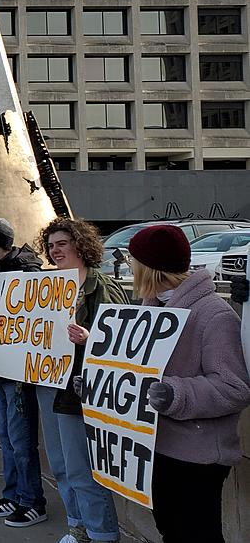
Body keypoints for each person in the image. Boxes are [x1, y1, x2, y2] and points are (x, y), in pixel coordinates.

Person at [128, 225, 250, 543]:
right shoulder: (152, 308)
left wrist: (175, 394)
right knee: (170, 529)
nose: (130, 267)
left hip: (198, 456)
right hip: (158, 445)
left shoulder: (214, 315)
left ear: (149, 267)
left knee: (197, 534)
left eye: (134, 261)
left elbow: (234, 387)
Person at [37, 218, 123, 543]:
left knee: (82, 469)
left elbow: (120, 338)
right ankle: (78, 526)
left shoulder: (101, 285)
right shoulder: (46, 286)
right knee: (60, 463)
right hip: (50, 383)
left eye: (62, 243)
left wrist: (91, 339)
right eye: (51, 245)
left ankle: (102, 533)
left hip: (82, 388)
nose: (55, 250)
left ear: (79, 245)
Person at [0, 217, 49, 528]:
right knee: (7, 436)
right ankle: (14, 494)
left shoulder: (26, 273)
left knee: (21, 438)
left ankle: (33, 501)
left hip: (19, 372)